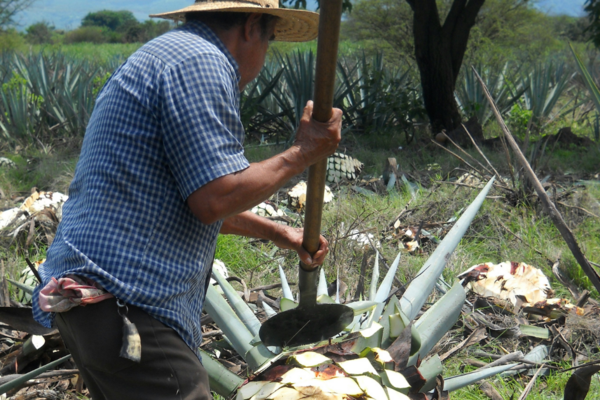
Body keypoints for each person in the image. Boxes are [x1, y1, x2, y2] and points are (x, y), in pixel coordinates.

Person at [31, 1, 343, 399]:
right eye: (270, 40)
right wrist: (303, 152)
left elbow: (188, 197)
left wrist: (279, 232)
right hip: (126, 302)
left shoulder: (169, 54)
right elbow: (214, 200)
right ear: (251, 26)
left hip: (91, 306)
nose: (263, 58)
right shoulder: (201, 62)